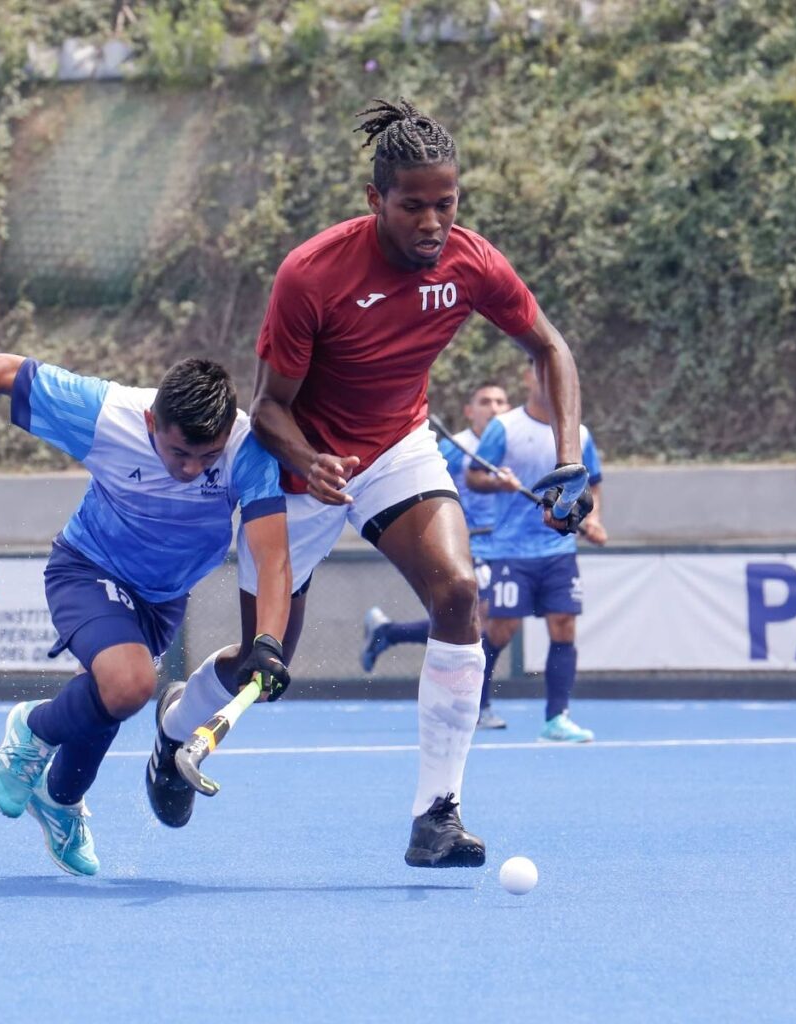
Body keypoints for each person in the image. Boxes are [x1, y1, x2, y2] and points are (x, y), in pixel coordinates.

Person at [218, 97, 590, 869]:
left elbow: (550, 346)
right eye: (412, 206)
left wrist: (567, 459)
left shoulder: (472, 262)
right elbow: (267, 409)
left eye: (446, 205)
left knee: (458, 592)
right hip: (306, 468)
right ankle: (173, 729)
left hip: (396, 449)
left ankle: (436, 816)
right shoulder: (311, 274)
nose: (432, 222)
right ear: (374, 201)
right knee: (265, 655)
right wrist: (309, 459)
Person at [0, 354, 292, 877]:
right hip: (87, 568)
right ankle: (32, 728)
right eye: (178, 452)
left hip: (164, 596)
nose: (191, 470)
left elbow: (272, 557)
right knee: (129, 685)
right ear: (153, 422)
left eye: (206, 456)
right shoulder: (108, 414)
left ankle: (61, 802)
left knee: (108, 699)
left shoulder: (247, 451)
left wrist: (268, 641)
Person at [466, 360, 607, 742]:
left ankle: (556, 718)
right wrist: (498, 483)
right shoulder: (505, 427)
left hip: (559, 549)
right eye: (541, 371)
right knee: (499, 628)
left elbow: (591, 484)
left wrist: (594, 520)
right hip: (510, 549)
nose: (549, 379)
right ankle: (473, 706)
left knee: (564, 624)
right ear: (529, 378)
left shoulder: (577, 433)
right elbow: (473, 476)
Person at [360, 382, 514, 729]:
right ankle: (476, 706)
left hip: (510, 545)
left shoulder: (513, 445)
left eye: (501, 401)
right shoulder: (453, 449)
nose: (494, 407)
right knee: (487, 619)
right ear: (469, 410)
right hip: (472, 544)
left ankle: (390, 632)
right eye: (485, 401)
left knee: (498, 625)